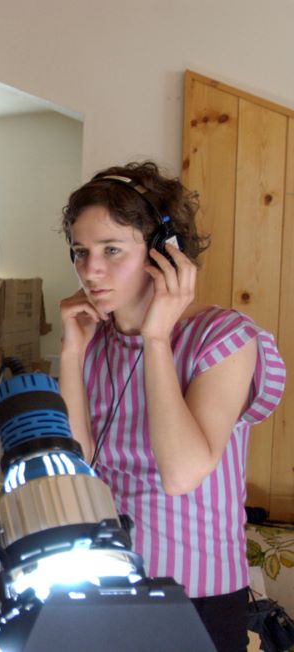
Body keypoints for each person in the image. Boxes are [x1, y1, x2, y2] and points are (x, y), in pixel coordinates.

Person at [57, 161, 286, 651]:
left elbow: (182, 474)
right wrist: (72, 353)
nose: (90, 270)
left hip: (196, 598)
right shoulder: (95, 338)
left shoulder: (223, 337)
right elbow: (78, 471)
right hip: (102, 585)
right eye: (81, 252)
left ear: (165, 253)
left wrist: (157, 339)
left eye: (112, 250)